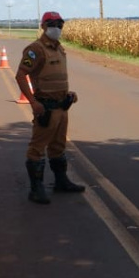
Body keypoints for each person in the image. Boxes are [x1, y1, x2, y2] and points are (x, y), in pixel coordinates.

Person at [15, 11, 86, 204]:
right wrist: (33, 101)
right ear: (43, 26)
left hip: (62, 107)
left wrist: (69, 94)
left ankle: (61, 181)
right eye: (53, 24)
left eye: (60, 24)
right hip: (45, 108)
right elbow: (21, 75)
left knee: (58, 146)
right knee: (38, 147)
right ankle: (36, 189)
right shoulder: (35, 49)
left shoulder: (60, 49)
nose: (57, 28)